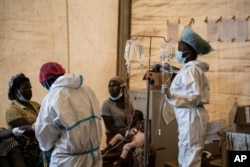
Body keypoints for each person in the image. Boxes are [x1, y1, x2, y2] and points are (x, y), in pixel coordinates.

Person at [161, 25, 213, 167]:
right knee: (187, 152)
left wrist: (171, 96)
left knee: (190, 155)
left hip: (191, 117)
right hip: (189, 117)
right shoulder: (190, 70)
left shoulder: (192, 71)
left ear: (188, 53)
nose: (178, 54)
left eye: (180, 50)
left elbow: (194, 97)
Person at [35, 61, 103, 167]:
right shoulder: (87, 90)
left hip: (67, 159)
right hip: (93, 155)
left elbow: (45, 135)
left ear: (46, 82)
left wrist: (46, 146)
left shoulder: (52, 97)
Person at [102, 76, 156, 167]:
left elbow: (134, 120)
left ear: (122, 88)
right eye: (109, 86)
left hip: (130, 134)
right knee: (130, 152)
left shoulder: (127, 104)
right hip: (114, 136)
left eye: (114, 85)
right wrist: (124, 134)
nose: (111, 88)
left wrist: (134, 129)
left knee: (151, 149)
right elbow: (109, 126)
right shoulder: (106, 105)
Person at [5, 73, 41, 167]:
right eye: (25, 88)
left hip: (43, 142)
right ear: (16, 91)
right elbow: (28, 131)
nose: (29, 90)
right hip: (28, 152)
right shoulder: (12, 110)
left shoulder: (36, 105)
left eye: (30, 87)